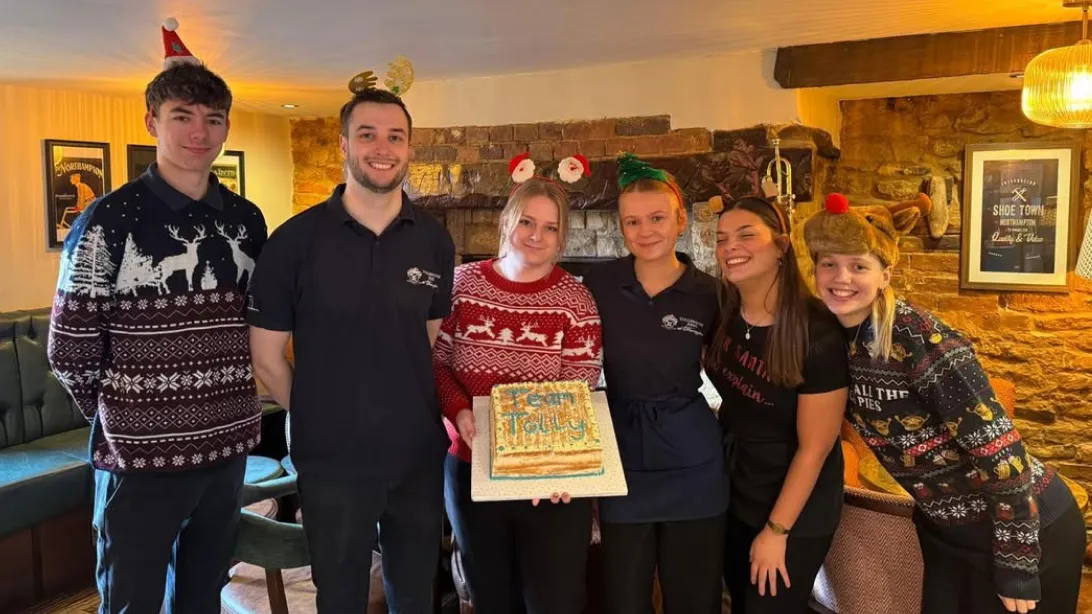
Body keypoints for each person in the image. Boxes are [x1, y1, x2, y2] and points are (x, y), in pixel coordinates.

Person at [46, 21, 268, 614]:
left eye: (214, 119)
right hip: (139, 457)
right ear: (152, 122)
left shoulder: (247, 221)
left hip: (227, 446)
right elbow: (68, 346)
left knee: (204, 594)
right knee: (132, 599)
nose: (201, 132)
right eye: (183, 116)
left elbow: (254, 321)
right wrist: (127, 413)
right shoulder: (106, 220)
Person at [803, 192, 1086, 614]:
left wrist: (1017, 565)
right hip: (946, 533)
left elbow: (1000, 450)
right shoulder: (831, 341)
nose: (841, 276)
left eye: (858, 265)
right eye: (829, 263)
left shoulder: (920, 339)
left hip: (1027, 532)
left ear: (885, 274)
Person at [246, 85, 456, 613]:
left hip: (416, 455)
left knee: (414, 594)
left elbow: (424, 338)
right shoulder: (293, 242)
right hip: (332, 462)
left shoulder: (434, 240)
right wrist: (320, 414)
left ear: (410, 148)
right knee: (338, 597)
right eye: (367, 135)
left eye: (395, 136)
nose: (382, 148)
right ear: (343, 145)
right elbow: (268, 359)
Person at [433, 156, 603, 614]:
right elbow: (435, 363)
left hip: (548, 483)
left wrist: (554, 467)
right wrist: (458, 410)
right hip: (473, 468)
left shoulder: (575, 300)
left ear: (562, 237)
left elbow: (576, 392)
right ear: (507, 220)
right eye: (527, 221)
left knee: (554, 600)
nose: (536, 235)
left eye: (550, 228)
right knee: (490, 595)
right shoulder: (462, 286)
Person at [581, 153, 729, 614]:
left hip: (693, 458)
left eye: (657, 218)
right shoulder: (597, 283)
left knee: (694, 596)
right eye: (632, 222)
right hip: (622, 456)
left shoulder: (712, 293)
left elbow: (736, 366)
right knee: (623, 597)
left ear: (681, 219)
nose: (645, 231)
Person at [701, 194, 847, 613]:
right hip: (737, 489)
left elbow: (816, 447)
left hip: (795, 508)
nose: (731, 247)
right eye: (722, 238)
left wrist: (776, 531)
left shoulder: (815, 331)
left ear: (781, 246)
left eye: (747, 235)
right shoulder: (724, 312)